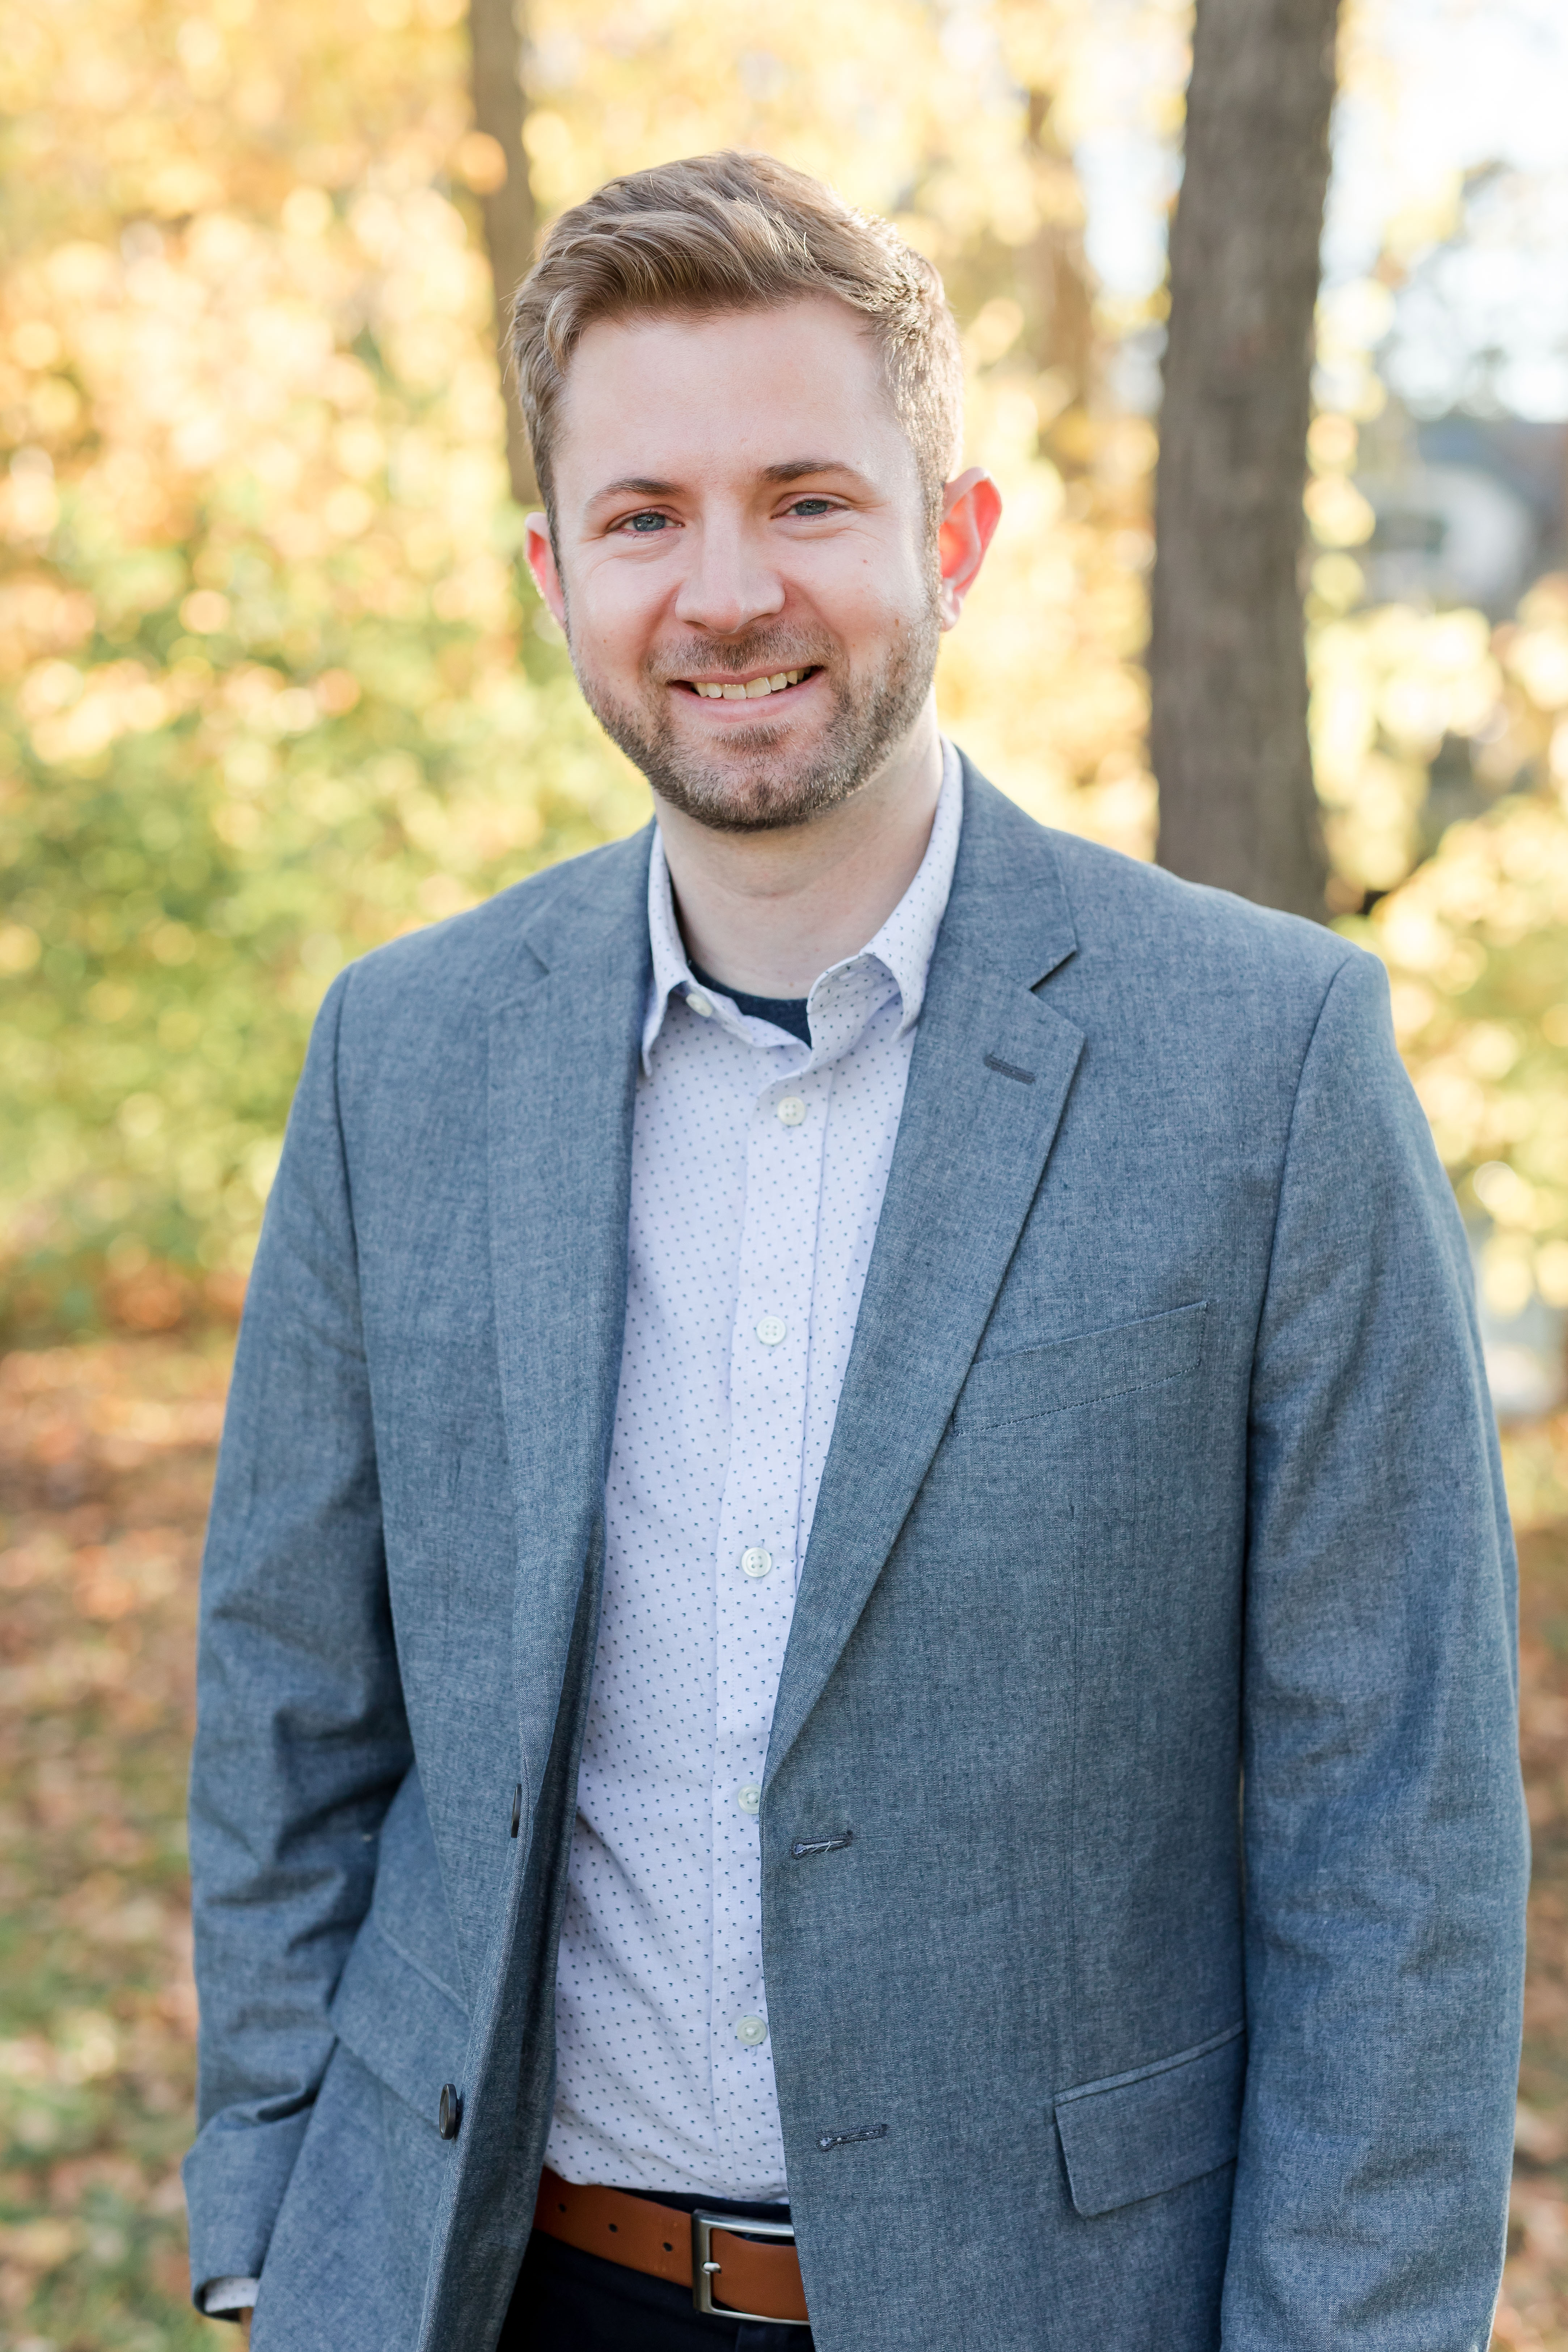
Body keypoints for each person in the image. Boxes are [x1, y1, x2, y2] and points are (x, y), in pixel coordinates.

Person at [183, 151, 1527, 2352]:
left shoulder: (1267, 1064)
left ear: (955, 538)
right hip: (493, 2291)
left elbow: (1397, 1840)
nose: (728, 592)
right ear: (555, 571)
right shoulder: (401, 1058)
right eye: (646, 518)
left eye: (809, 497)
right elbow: (292, 1710)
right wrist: (264, 2229)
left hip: (1058, 2301)